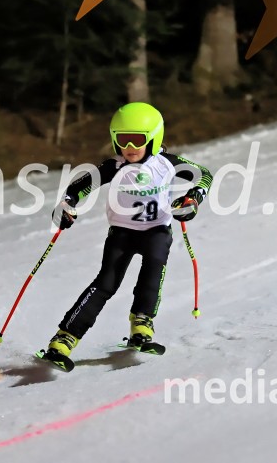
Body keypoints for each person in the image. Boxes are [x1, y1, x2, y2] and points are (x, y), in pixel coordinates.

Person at [43, 102, 213, 361]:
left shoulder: (166, 163)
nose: (129, 148)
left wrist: (192, 199)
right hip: (122, 233)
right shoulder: (115, 165)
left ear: (154, 139)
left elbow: (204, 176)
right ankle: (64, 339)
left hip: (157, 230)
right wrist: (66, 205)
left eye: (137, 140)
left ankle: (142, 323)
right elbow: (79, 187)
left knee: (154, 267)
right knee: (106, 284)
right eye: (123, 140)